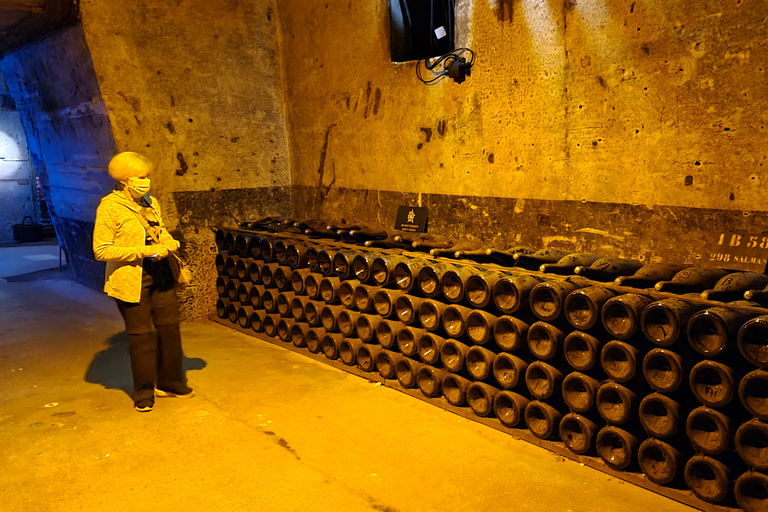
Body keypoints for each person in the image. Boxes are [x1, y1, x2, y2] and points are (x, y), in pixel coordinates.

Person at [93, 151, 194, 412]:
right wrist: (144, 251)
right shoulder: (109, 208)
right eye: (141, 177)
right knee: (141, 336)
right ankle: (144, 391)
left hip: (161, 273)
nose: (146, 181)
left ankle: (171, 382)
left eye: (147, 176)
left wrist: (167, 242)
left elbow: (158, 231)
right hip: (131, 279)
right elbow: (101, 250)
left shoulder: (151, 202)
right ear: (125, 180)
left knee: (170, 328)